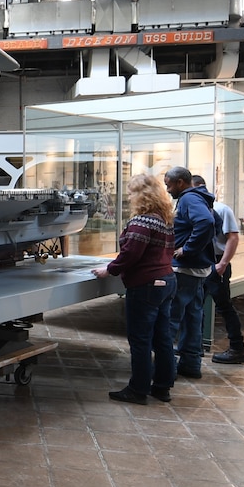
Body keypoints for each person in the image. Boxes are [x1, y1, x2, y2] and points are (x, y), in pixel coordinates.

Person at [95, 173, 178, 404]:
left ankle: (138, 389)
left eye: (132, 193)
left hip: (146, 285)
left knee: (140, 339)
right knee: (163, 339)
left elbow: (131, 253)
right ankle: (162, 387)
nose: (129, 197)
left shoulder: (142, 222)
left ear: (143, 195)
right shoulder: (165, 219)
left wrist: (109, 270)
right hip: (167, 280)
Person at [164, 166, 217, 379]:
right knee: (193, 317)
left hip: (185, 269)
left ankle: (164, 368)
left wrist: (186, 249)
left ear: (180, 183)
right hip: (197, 269)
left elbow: (206, 222)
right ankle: (190, 363)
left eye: (169, 184)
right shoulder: (200, 198)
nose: (167, 189)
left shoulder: (189, 199)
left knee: (171, 317)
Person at [192, 174, 244, 365]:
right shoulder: (196, 208)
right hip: (201, 261)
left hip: (216, 262)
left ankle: (238, 348)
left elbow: (233, 237)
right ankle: (195, 346)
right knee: (196, 304)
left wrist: (222, 264)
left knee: (224, 306)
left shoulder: (222, 209)